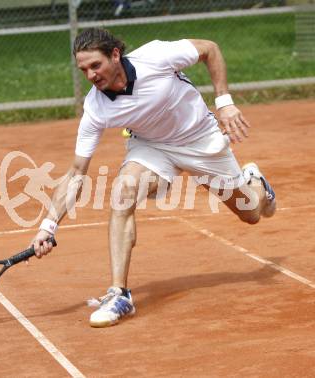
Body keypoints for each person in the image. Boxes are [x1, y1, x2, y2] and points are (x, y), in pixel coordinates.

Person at [30, 28, 276, 328]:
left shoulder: (156, 57)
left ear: (115, 55)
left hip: (201, 140)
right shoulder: (96, 108)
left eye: (96, 65)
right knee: (123, 192)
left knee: (251, 213)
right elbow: (76, 173)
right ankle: (119, 294)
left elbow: (209, 48)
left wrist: (224, 102)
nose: (91, 75)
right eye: (84, 70)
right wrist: (49, 224)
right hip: (152, 148)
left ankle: (256, 182)